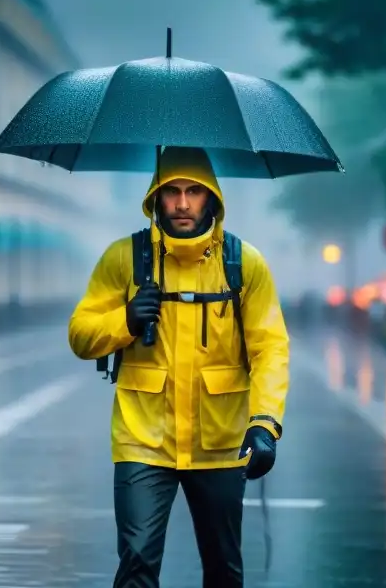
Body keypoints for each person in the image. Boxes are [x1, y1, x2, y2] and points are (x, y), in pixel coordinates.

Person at [69, 146, 290, 588]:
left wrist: (265, 423)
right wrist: (126, 320)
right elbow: (80, 335)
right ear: (156, 197)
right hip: (142, 440)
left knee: (224, 569)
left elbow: (271, 349)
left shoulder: (244, 264)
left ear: (212, 199)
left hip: (222, 442)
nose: (183, 203)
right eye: (172, 192)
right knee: (136, 564)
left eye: (194, 192)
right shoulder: (124, 259)